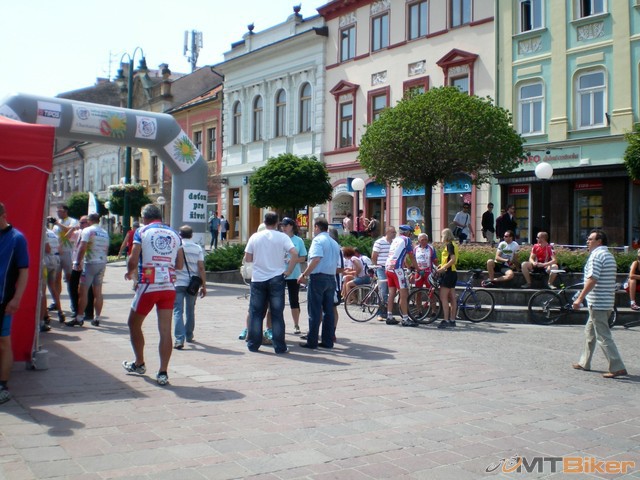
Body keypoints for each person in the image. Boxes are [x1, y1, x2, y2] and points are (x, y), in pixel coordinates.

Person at [123, 204, 184, 386]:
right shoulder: (175, 234)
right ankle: (163, 372)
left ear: (144, 217)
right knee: (165, 330)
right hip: (169, 285)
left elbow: (133, 258)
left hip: (148, 283)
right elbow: (180, 265)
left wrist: (130, 271)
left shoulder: (142, 231)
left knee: (133, 323)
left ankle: (139, 363)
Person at [572, 230, 627, 378]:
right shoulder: (608, 255)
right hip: (605, 301)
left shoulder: (596, 256)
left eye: (590, 239)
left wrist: (579, 298)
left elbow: (592, 279)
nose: (587, 241)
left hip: (597, 303)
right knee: (589, 333)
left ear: (599, 241)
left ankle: (617, 367)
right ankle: (584, 362)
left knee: (603, 336)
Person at [244, 212, 297, 354]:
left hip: (258, 278)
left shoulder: (255, 237)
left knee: (256, 313)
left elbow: (248, 258)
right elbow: (294, 253)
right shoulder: (282, 237)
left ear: (264, 221)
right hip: (276, 278)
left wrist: (260, 258)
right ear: (277, 222)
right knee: (277, 314)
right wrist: (289, 271)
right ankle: (279, 346)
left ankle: (253, 344)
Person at [0, 202, 29, 404]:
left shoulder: (17, 238)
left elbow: (24, 271)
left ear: (3, 215)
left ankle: (3, 385)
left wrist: (16, 298)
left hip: (4, 299)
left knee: (3, 342)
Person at [298, 218, 341, 349]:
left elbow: (316, 259)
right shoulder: (334, 242)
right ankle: (328, 341)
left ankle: (312, 341)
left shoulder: (318, 240)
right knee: (328, 311)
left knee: (315, 310)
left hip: (318, 277)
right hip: (331, 278)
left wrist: (304, 274)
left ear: (317, 227)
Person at [67, 213, 109, 327]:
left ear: (90, 220)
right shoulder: (104, 232)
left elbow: (82, 246)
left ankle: (79, 317)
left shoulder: (88, 230)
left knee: (83, 291)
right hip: (101, 263)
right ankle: (97, 318)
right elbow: (106, 248)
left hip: (90, 263)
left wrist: (77, 261)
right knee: (98, 292)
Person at [173, 225, 207, 349]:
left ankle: (179, 339)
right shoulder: (197, 248)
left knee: (178, 311)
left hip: (178, 283)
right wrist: (204, 285)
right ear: (191, 235)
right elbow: (201, 268)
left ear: (180, 235)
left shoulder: (177, 246)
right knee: (190, 310)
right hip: (193, 284)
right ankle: (189, 335)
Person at [385, 224, 417, 327]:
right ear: (407, 232)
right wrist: (418, 268)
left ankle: (389, 316)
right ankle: (405, 319)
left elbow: (401, 256)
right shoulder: (406, 240)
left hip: (388, 268)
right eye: (410, 233)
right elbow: (411, 256)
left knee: (392, 293)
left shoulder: (395, 240)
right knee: (404, 294)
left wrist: (408, 266)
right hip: (397, 269)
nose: (411, 235)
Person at [280, 217, 307, 334]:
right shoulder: (279, 239)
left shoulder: (298, 240)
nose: (283, 228)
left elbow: (303, 258)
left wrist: (293, 260)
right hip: (280, 273)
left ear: (291, 226)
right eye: (282, 225)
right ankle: (278, 324)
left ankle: (296, 324)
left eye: (285, 225)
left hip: (294, 274)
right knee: (278, 300)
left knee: (294, 300)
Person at [51, 205, 78, 313]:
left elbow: (69, 230)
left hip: (68, 252)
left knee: (69, 278)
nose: (58, 213)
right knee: (56, 278)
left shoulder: (72, 221)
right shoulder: (56, 224)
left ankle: (73, 302)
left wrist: (57, 223)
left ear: (66, 211)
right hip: (57, 252)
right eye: (57, 211)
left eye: (60, 211)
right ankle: (56, 302)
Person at [68, 216, 95, 323]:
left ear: (88, 223)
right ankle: (76, 309)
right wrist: (72, 228)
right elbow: (67, 237)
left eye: (83, 222)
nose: (81, 224)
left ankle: (89, 312)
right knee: (73, 286)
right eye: (80, 222)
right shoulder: (79, 233)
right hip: (76, 263)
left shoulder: (90, 233)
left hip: (85, 263)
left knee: (88, 289)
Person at [372, 226, 396, 321]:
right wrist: (376, 267)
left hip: (391, 269)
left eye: (395, 232)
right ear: (387, 233)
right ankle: (380, 313)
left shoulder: (394, 243)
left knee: (391, 291)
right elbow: (374, 256)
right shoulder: (379, 242)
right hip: (381, 268)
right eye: (393, 232)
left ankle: (387, 312)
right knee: (383, 291)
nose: (394, 234)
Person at [436, 228, 458, 329]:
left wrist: (443, 268)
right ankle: (452, 320)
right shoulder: (454, 244)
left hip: (448, 273)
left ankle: (446, 319)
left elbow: (452, 259)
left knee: (443, 297)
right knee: (452, 297)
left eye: (442, 235)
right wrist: (442, 265)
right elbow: (449, 259)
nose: (441, 237)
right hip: (453, 272)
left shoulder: (449, 245)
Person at [43, 221, 64, 323]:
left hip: (46, 261)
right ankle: (60, 311)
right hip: (55, 261)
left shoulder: (43, 232)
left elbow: (47, 249)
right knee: (52, 287)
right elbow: (60, 250)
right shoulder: (52, 233)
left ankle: (45, 315)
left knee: (42, 290)